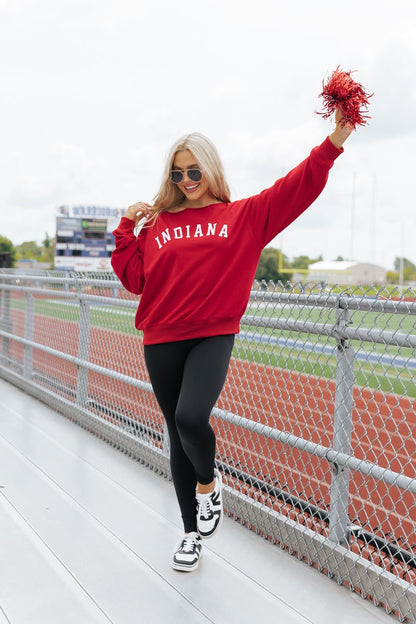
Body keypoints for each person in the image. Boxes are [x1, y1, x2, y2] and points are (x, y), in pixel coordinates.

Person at [111, 108, 353, 572]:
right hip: (160, 337)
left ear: (211, 169)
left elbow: (296, 187)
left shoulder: (242, 217)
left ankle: (209, 484)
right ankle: (189, 535)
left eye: (194, 170)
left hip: (212, 334)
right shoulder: (157, 225)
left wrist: (335, 140)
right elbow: (135, 280)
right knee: (177, 438)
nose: (186, 179)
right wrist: (127, 228)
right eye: (177, 172)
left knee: (190, 416)